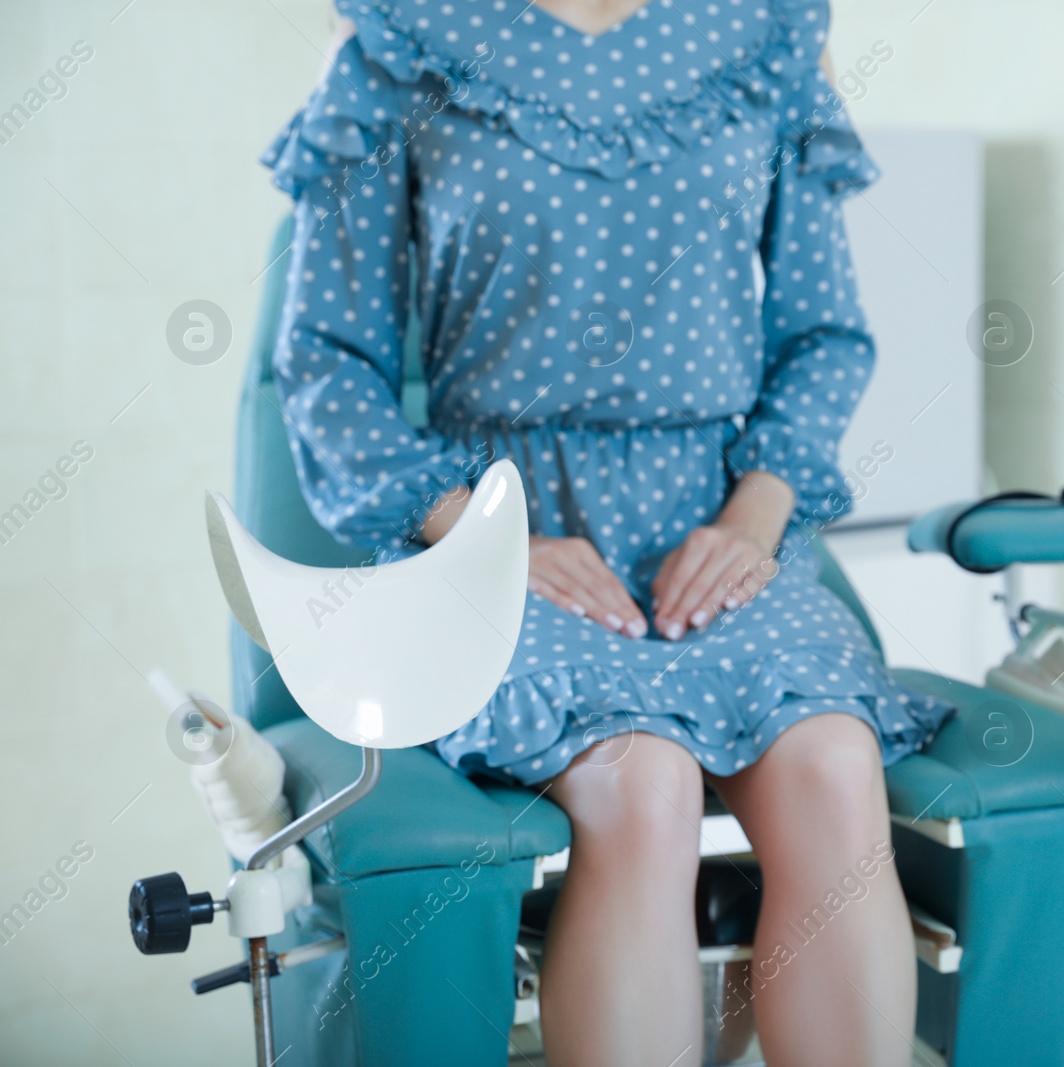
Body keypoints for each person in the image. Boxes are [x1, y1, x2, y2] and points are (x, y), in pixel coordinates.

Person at [263, 0, 952, 1062]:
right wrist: (479, 536)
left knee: (833, 764)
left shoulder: (765, 34)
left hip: (718, 525)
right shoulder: (400, 40)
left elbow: (822, 334)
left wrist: (754, 512)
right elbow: (322, 364)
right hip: (496, 538)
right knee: (644, 780)